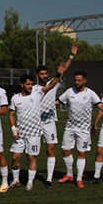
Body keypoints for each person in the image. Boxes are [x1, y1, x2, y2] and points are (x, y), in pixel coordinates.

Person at [8, 63, 67, 192]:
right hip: (20, 133)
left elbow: (51, 85)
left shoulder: (38, 94)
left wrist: (58, 74)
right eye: (28, 84)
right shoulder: (15, 99)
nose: (30, 87)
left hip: (34, 132)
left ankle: (30, 182)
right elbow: (11, 114)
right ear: (22, 85)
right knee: (15, 157)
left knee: (31, 157)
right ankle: (16, 180)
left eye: (31, 84)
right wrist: (13, 128)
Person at [34, 43, 78, 188]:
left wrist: (71, 56)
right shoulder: (33, 89)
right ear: (37, 75)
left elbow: (62, 70)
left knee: (50, 149)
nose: (45, 76)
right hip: (34, 122)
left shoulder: (53, 84)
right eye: (42, 74)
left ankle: (48, 179)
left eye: (46, 74)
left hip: (49, 122)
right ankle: (30, 177)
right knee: (31, 152)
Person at [57, 71, 103, 188]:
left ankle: (79, 178)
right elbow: (58, 101)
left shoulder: (90, 93)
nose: (77, 82)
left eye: (79, 80)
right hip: (70, 127)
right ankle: (70, 174)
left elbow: (99, 104)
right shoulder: (69, 92)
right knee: (65, 150)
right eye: (75, 80)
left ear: (84, 81)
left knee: (81, 153)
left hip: (83, 130)